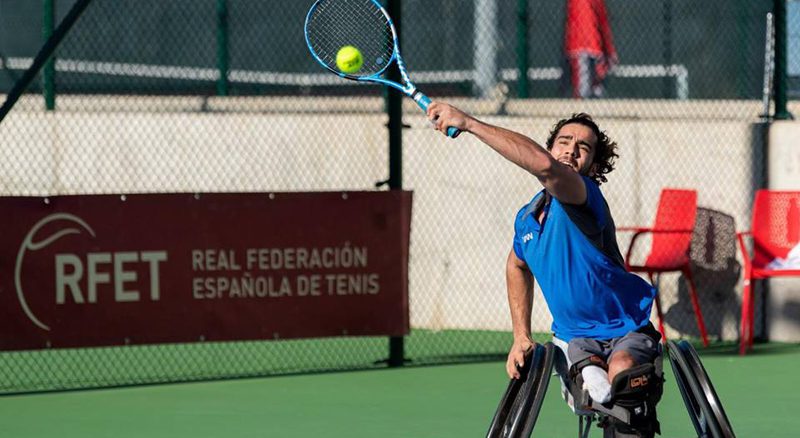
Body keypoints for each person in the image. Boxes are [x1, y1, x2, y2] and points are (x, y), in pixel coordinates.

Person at [426, 103, 661, 436]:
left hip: (627, 328)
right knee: (598, 386)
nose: (571, 149)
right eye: (564, 141)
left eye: (583, 147)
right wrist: (520, 336)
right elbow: (516, 265)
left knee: (623, 380)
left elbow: (546, 169)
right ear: (551, 146)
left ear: (593, 166)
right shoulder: (527, 217)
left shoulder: (584, 196)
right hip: (576, 341)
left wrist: (468, 123)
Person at [564, 0, 618, 98]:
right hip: (585, 47)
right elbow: (603, 22)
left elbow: (603, 21)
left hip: (590, 47)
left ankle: (590, 95)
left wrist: (609, 50)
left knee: (586, 89)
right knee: (584, 89)